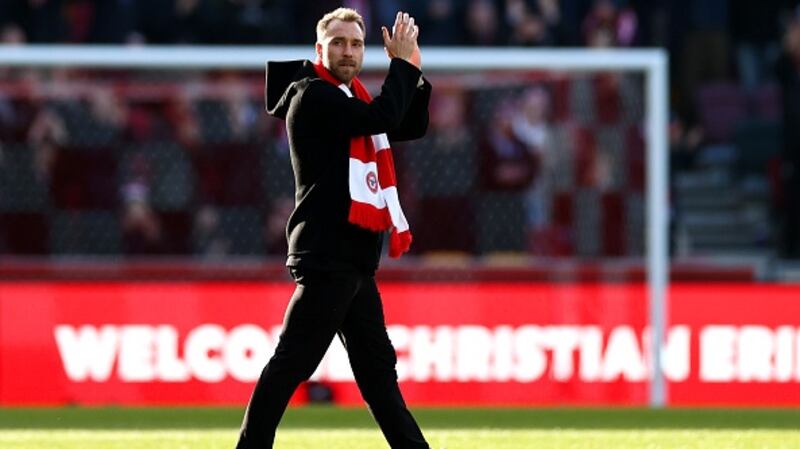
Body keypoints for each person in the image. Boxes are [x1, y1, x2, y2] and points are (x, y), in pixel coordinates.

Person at [236, 7, 432, 449]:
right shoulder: (313, 97)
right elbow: (379, 119)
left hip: (353, 260)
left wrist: (413, 69)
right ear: (319, 49)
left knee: (377, 375)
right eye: (340, 43)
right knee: (293, 364)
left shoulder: (350, 99)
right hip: (328, 255)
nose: (349, 51)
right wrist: (402, 67)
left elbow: (409, 123)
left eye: (357, 44)